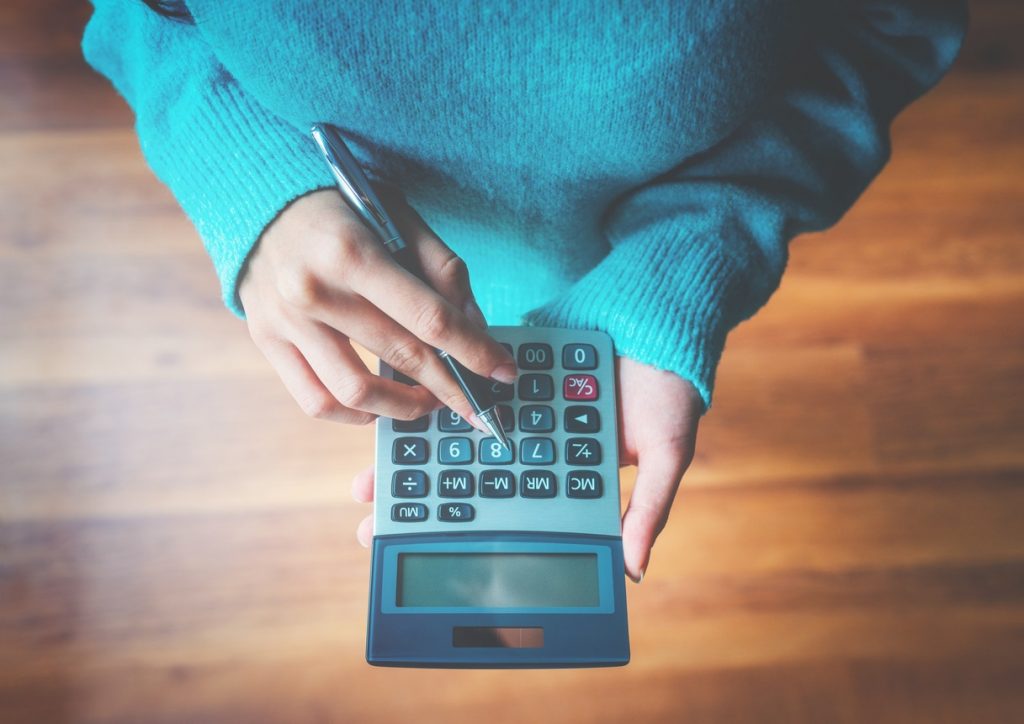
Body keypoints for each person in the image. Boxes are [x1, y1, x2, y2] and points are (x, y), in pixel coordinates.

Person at [83, 1, 967, 582]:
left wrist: (687, 261)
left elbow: (886, 30)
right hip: (373, 269)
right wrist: (247, 177)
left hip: (639, 262)